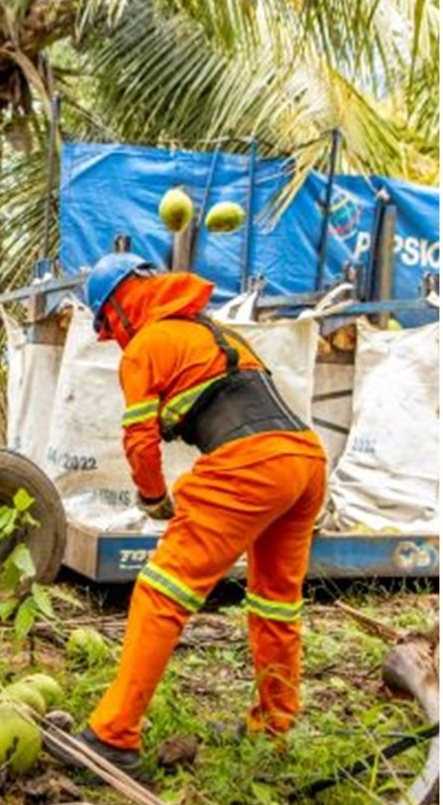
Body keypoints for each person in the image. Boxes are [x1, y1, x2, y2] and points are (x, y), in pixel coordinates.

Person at [50, 253, 327, 775]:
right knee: (276, 603)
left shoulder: (148, 345)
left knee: (161, 592)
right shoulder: (211, 331)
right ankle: (275, 728)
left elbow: (139, 441)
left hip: (251, 462)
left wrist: (153, 499)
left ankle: (113, 736)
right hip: (305, 460)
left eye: (108, 327)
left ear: (120, 307)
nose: (112, 339)